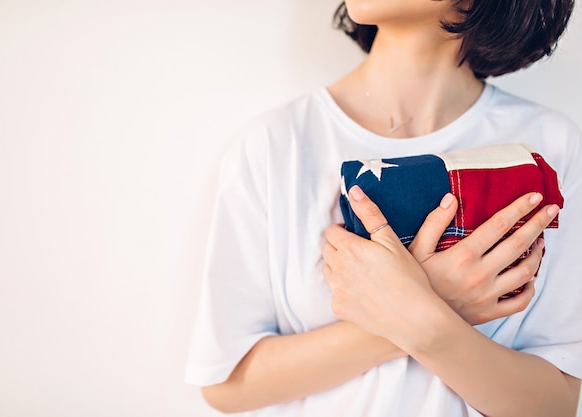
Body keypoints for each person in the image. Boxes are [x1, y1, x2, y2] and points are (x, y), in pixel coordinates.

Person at [185, 0, 582, 415]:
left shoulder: (549, 147)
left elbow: (554, 405)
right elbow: (226, 383)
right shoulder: (276, 144)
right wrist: (433, 302)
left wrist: (424, 317)